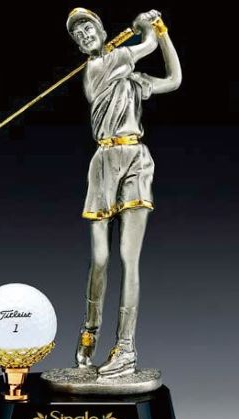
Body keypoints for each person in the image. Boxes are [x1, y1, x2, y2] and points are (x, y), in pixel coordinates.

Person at [66, 8, 182, 378]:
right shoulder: (99, 67)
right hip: (103, 163)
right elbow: (146, 45)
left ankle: (126, 348)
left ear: (101, 30)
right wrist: (150, 28)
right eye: (78, 35)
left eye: (88, 28)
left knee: (129, 258)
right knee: (100, 258)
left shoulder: (127, 76)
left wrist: (163, 31)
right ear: (79, 47)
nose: (85, 35)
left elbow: (174, 79)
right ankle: (90, 329)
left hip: (135, 161)